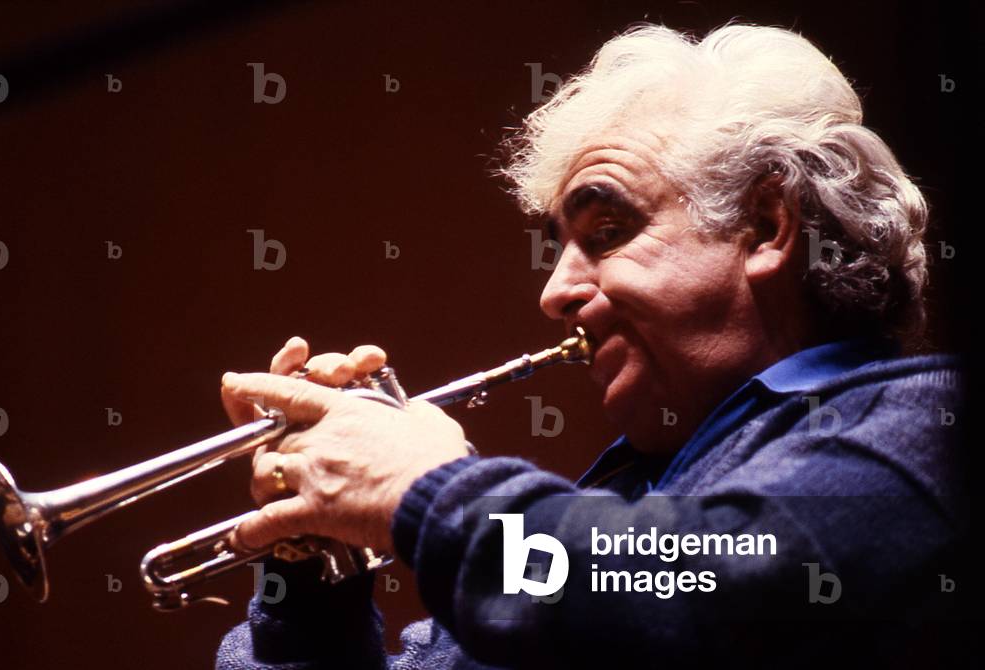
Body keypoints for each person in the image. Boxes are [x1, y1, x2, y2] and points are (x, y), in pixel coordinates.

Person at [214, 22, 964, 669]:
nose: (554, 293)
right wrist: (307, 570)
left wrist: (424, 487)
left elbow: (704, 595)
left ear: (766, 226)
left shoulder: (926, 431)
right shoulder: (602, 513)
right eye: (560, 248)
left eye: (608, 231)